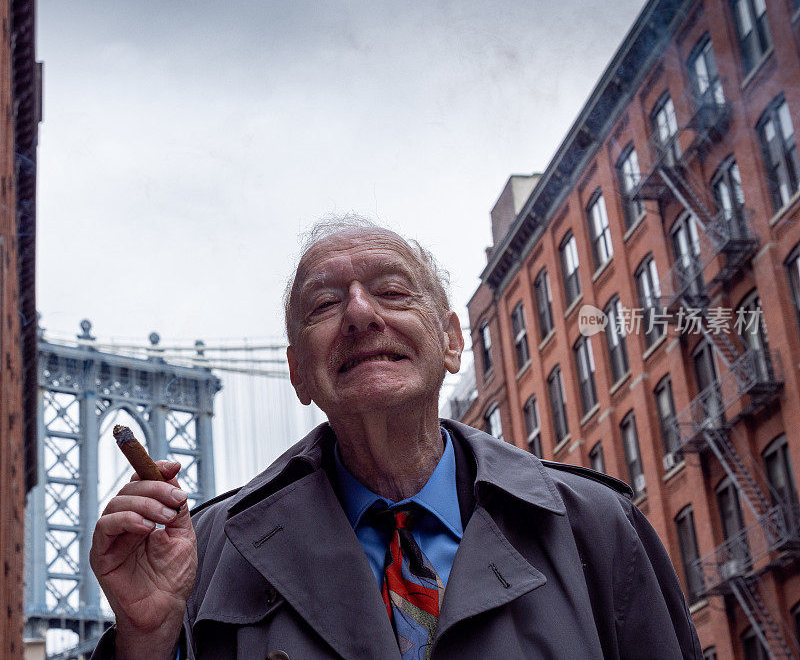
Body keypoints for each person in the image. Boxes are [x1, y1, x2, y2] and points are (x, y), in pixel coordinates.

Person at [90, 218, 702, 660]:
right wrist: (146, 640)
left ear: (452, 342)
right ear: (299, 373)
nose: (359, 314)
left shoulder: (596, 526)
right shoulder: (205, 556)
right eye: (325, 304)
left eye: (392, 292)